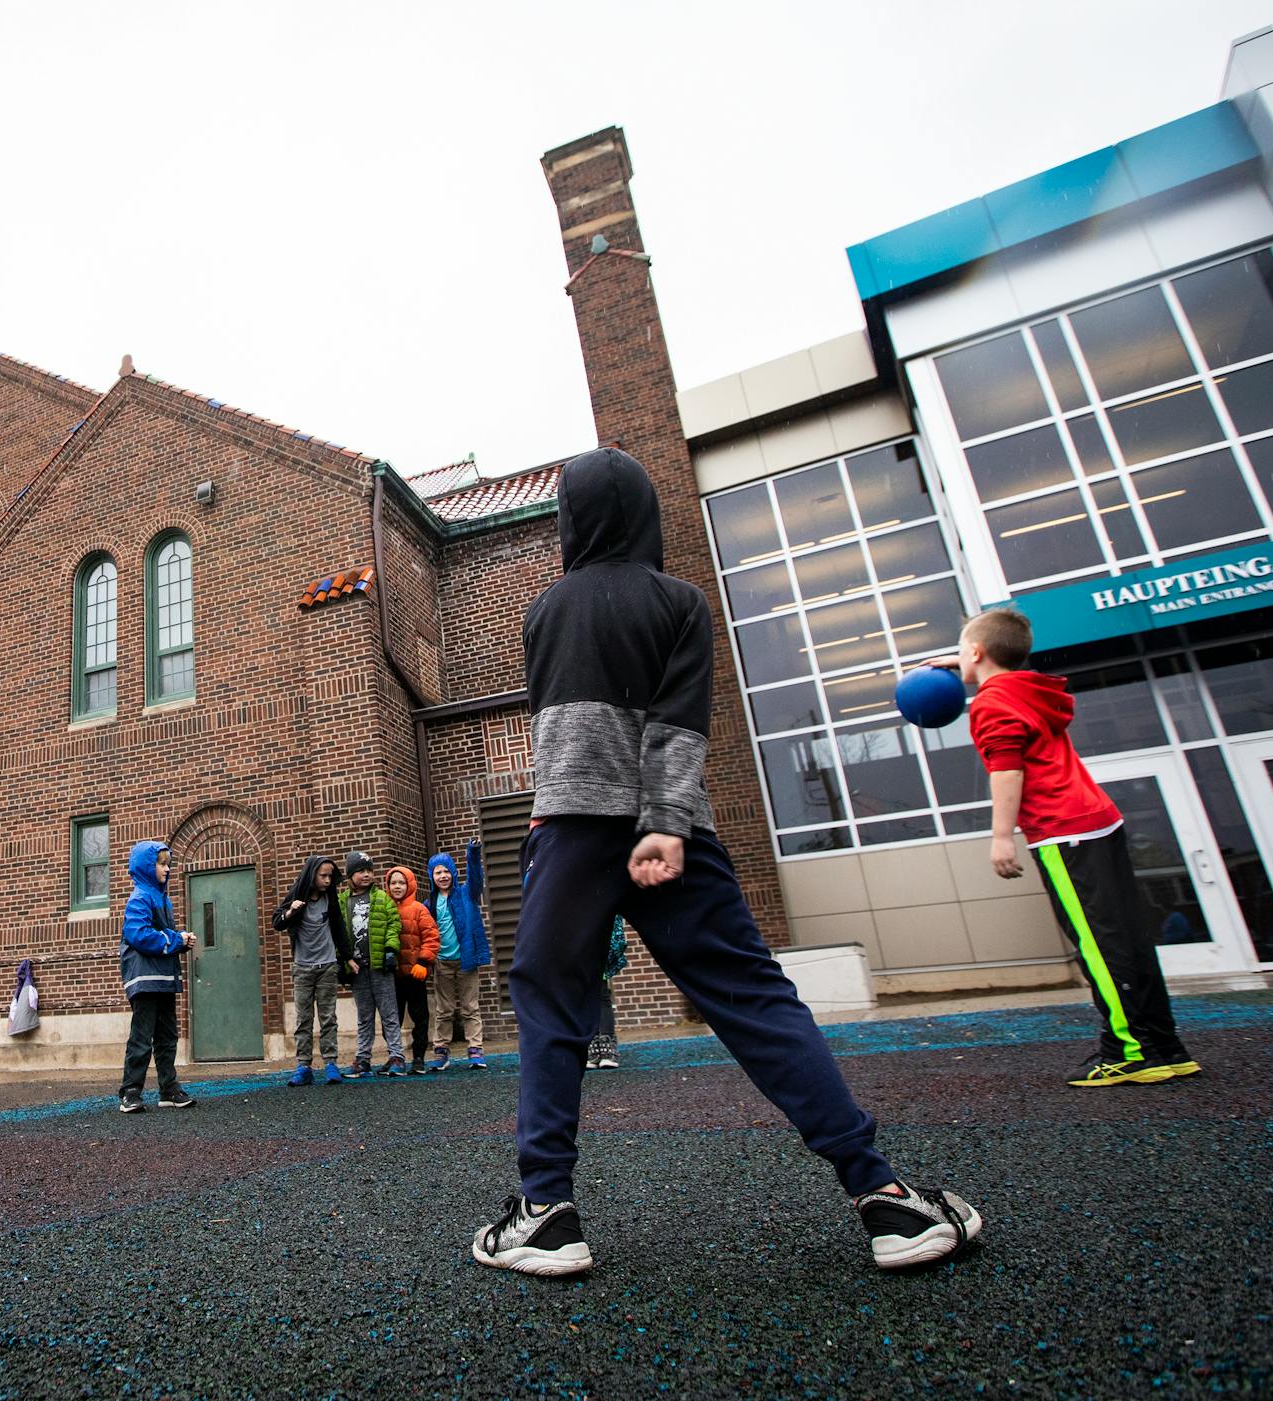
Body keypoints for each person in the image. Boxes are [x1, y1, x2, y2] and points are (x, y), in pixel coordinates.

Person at [473, 446, 982, 1278]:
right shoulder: (680, 600)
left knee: (550, 1006)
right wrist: (667, 823)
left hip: (567, 826)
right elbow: (678, 722)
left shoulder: (544, 608)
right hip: (673, 831)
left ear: (569, 521)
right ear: (648, 516)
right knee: (753, 999)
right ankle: (882, 1195)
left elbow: (556, 735)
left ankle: (545, 1214)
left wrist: (552, 834)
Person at [935, 608, 1198, 1088]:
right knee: (1128, 940)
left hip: (1063, 830)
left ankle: (1131, 1049)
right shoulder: (1027, 688)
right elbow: (1004, 663)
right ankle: (1164, 1045)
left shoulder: (992, 704)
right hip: (1098, 820)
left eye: (962, 651)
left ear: (976, 652)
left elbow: (1007, 771)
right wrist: (966, 662)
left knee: (1098, 945)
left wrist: (1000, 837)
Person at [118, 839, 197, 1113]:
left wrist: (180, 941)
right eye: (161, 864)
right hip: (143, 978)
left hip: (162, 977)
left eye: (168, 864)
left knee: (167, 1035)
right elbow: (138, 934)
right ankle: (130, 1091)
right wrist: (177, 939)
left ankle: (168, 1088)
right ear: (146, 866)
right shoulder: (140, 897)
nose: (167, 870)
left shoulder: (163, 899)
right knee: (142, 1035)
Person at [271, 855, 357, 1086]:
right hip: (303, 967)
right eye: (323, 875)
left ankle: (330, 1063)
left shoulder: (330, 900)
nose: (328, 880)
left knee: (328, 1016)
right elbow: (277, 922)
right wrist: (291, 911)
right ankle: (304, 1066)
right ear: (312, 875)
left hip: (327, 965)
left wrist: (348, 957)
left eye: (330, 876)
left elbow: (338, 927)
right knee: (303, 1018)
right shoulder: (297, 896)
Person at [425, 843, 493, 1070]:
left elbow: (476, 877)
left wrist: (472, 854)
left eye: (446, 871)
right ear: (431, 876)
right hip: (442, 962)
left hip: (466, 959)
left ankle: (475, 1049)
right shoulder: (430, 904)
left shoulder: (467, 894)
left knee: (470, 1007)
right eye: (438, 872)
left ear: (453, 873)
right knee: (443, 1010)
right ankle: (441, 1051)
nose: (442, 876)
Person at [337, 851, 404, 1078]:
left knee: (389, 1013)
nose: (366, 875)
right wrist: (343, 960)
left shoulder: (382, 899)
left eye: (369, 870)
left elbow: (393, 925)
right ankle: (363, 1058)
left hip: (380, 966)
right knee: (364, 1016)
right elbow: (338, 933)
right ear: (350, 875)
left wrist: (390, 950)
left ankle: (396, 1056)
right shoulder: (342, 901)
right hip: (357, 969)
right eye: (360, 871)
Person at [386, 866, 439, 1075]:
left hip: (415, 974)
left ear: (409, 884)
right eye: (393, 883)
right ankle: (395, 1056)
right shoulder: (385, 908)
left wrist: (424, 962)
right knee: (392, 1019)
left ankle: (418, 1057)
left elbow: (432, 937)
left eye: (401, 882)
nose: (397, 886)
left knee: (420, 1017)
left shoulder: (419, 909)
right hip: (392, 976)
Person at [587, 917, 626, 1071]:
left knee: (597, 994)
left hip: (593, 941)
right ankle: (599, 1047)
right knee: (594, 995)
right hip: (589, 939)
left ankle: (601, 1047)